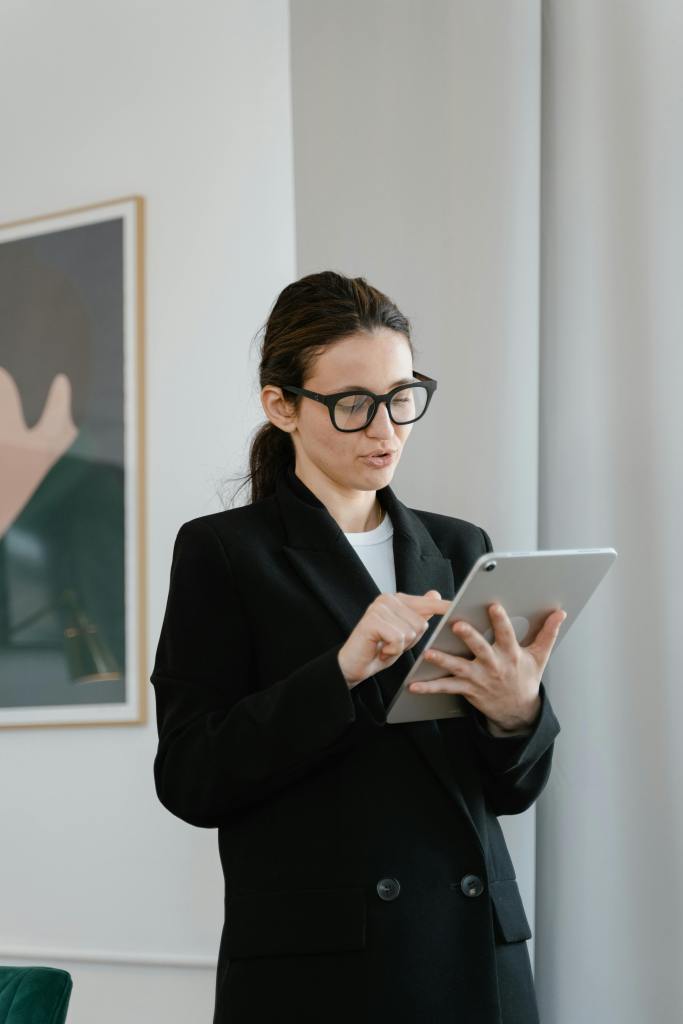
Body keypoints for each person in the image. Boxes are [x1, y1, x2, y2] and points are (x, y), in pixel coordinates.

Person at [150, 271, 564, 1024]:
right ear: (281, 406)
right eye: (352, 404)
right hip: (326, 970)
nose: (386, 429)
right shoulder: (225, 552)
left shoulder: (459, 546)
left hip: (474, 952)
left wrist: (517, 713)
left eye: (402, 396)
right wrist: (339, 672)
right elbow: (189, 777)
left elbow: (507, 793)